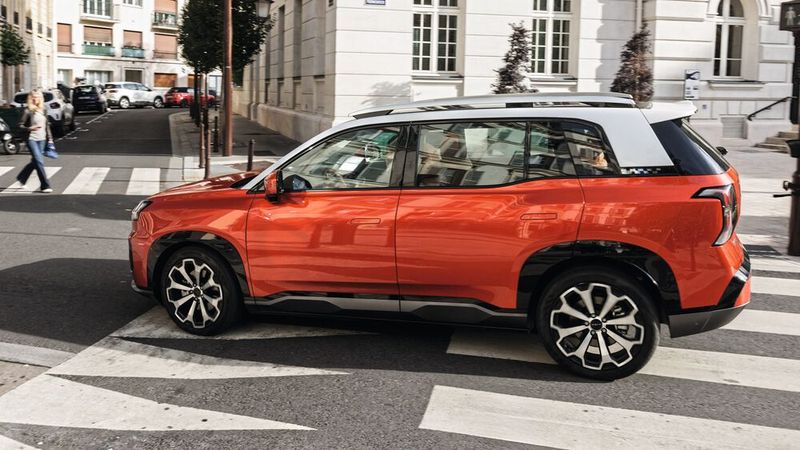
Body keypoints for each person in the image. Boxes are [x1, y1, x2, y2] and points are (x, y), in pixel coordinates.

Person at [16, 89, 54, 193]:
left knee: (35, 161)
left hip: (42, 139)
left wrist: (50, 139)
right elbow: (19, 125)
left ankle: (22, 178)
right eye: (33, 97)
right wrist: (30, 128)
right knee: (39, 161)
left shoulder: (44, 109)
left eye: (37, 96)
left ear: (41, 98)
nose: (35, 98)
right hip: (31, 139)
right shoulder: (27, 110)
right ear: (30, 98)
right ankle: (45, 185)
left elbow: (47, 126)